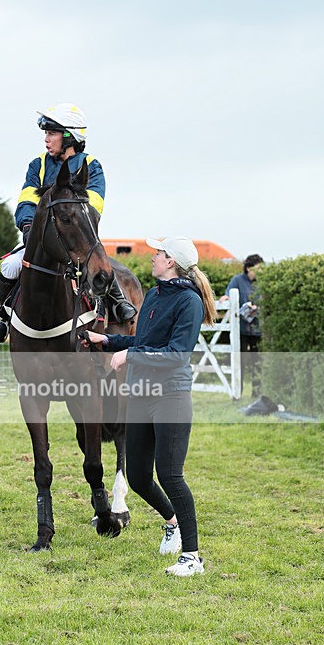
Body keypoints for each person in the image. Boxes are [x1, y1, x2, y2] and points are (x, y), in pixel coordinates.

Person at [82, 236, 216, 576]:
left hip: (170, 396)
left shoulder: (189, 302)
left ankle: (192, 557)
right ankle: (172, 523)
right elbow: (143, 342)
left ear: (170, 261)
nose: (153, 257)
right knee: (140, 477)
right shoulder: (155, 294)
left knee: (170, 475)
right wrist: (108, 340)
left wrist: (129, 355)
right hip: (141, 394)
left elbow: (176, 355)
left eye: (158, 253)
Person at [0, 103, 136, 342]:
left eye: (52, 133)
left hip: (78, 238)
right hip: (41, 238)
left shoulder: (91, 165)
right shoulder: (38, 164)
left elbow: (93, 206)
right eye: (46, 133)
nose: (47, 139)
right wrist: (28, 226)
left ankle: (118, 303)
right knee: (10, 266)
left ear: (69, 136)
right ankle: (3, 317)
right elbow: (26, 200)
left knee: (100, 265)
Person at [221, 254, 264, 397]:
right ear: (248, 268)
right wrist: (225, 298)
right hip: (241, 329)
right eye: (258, 268)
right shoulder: (237, 280)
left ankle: (256, 393)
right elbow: (228, 294)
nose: (261, 271)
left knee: (258, 362)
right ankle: (237, 392)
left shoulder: (263, 282)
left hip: (258, 329)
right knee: (240, 361)